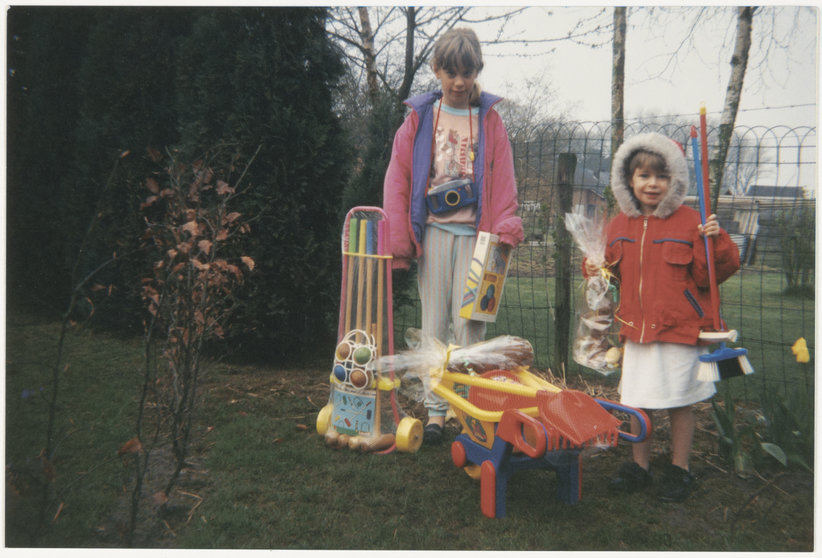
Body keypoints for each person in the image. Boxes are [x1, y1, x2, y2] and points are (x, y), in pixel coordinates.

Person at [383, 28, 523, 444]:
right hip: (434, 234)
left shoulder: (490, 120)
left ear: (477, 71)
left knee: (470, 326)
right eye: (451, 73)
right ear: (437, 70)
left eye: (467, 73)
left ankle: (469, 411)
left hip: (478, 239)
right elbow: (399, 178)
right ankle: (436, 412)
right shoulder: (420, 118)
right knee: (434, 323)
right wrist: (399, 238)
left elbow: (504, 180)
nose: (459, 82)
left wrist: (505, 228)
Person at [585, 132, 740, 502]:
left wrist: (716, 241)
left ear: (676, 180)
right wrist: (592, 266)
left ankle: (679, 469)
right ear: (629, 180)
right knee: (637, 400)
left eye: (662, 176)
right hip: (636, 330)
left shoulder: (693, 223)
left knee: (680, 400)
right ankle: (639, 466)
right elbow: (610, 275)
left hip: (680, 329)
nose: (653, 184)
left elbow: (712, 274)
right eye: (644, 176)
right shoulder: (619, 224)